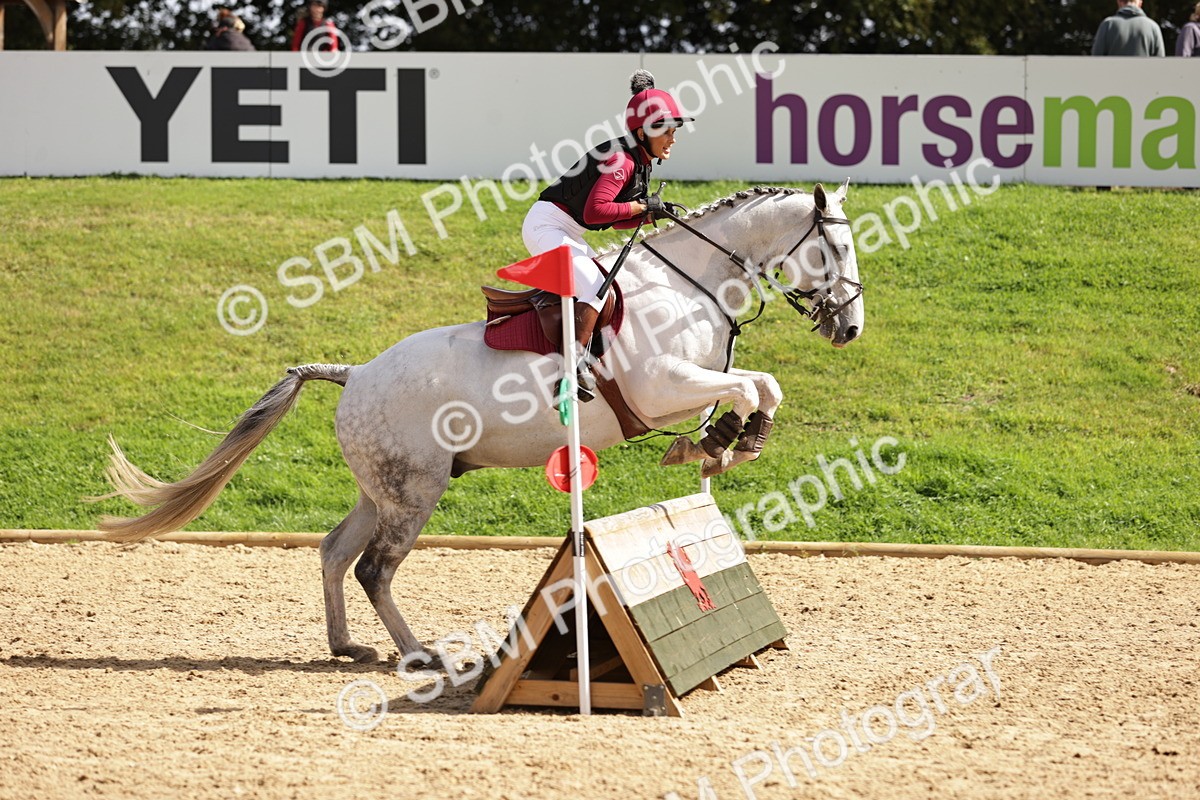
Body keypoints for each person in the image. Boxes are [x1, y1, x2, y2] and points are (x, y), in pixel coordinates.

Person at [522, 69, 693, 401]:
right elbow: (595, 212)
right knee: (594, 285)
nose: (672, 139)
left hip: (567, 227)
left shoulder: (640, 159)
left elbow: (614, 220)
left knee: (609, 286)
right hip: (547, 226)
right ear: (643, 132)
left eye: (674, 131)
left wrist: (649, 215)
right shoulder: (621, 160)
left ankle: (590, 355)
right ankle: (568, 372)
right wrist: (641, 207)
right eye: (666, 131)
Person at [1092, 0, 1166, 56]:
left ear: (1118, 2)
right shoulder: (1153, 27)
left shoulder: (1107, 25)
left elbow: (1096, 59)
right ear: (1140, 3)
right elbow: (1160, 64)